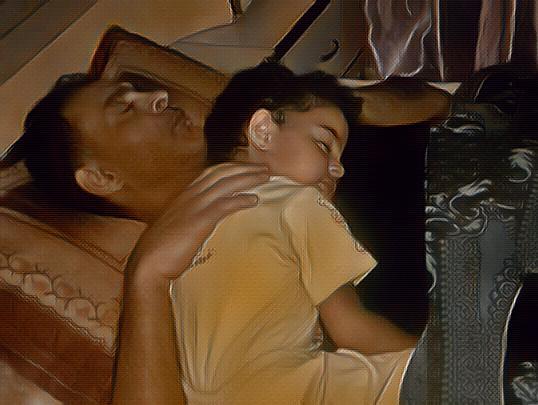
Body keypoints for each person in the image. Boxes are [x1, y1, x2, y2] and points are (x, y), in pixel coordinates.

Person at [1, 67, 450, 404]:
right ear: (102, 177)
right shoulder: (166, 288)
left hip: (467, 185)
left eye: (141, 90)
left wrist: (340, 109)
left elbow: (434, 101)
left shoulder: (269, 122)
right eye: (124, 106)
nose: (158, 95)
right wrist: (147, 274)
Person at [166, 62, 416, 404]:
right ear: (263, 132)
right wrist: (443, 359)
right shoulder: (295, 200)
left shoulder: (186, 223)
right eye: (325, 144)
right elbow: (352, 329)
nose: (339, 169)